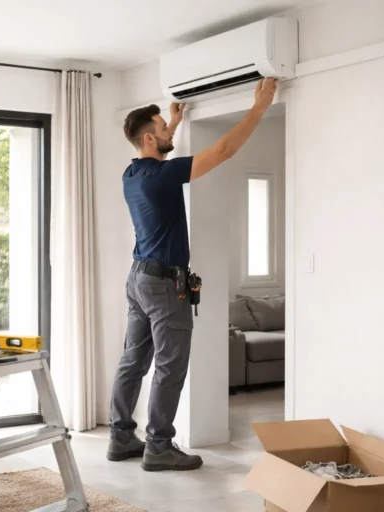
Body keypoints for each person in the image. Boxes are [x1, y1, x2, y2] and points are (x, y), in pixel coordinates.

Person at [108, 77, 279, 472]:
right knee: (170, 367)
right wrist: (259, 107)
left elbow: (159, 148)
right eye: (162, 129)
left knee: (133, 362)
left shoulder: (132, 175)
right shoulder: (162, 175)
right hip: (164, 285)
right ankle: (159, 447)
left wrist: (173, 123)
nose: (168, 133)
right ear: (149, 138)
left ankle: (120, 437)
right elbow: (222, 150)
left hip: (138, 279)